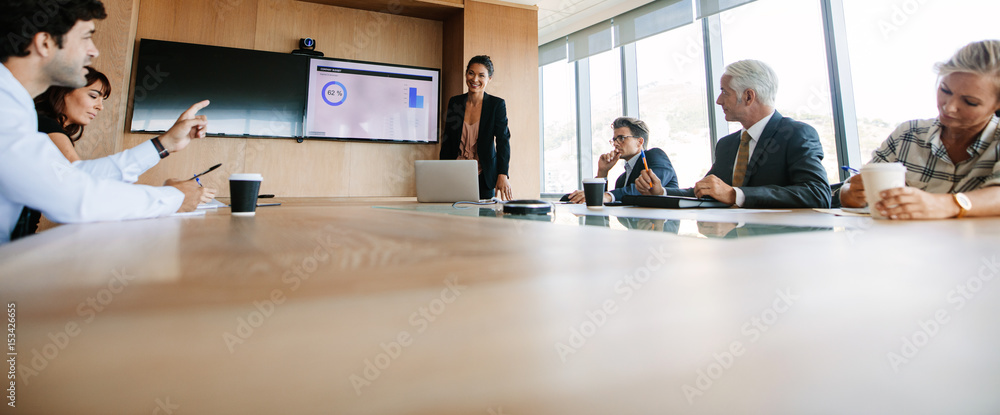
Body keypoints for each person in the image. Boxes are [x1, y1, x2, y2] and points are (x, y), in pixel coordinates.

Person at [1, 0, 213, 244]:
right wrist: (174, 197)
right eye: (85, 37)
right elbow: (73, 197)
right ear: (45, 43)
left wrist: (164, 144)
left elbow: (72, 175)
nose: (94, 51)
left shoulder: (16, 106)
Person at [10, 66, 217, 240]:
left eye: (102, 100)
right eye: (93, 96)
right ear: (62, 91)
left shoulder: (42, 126)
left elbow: (82, 184)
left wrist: (166, 144)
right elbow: (80, 183)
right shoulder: (43, 125)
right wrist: (172, 196)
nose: (99, 107)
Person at [636, 60, 831, 209]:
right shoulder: (727, 145)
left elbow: (818, 194)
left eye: (724, 92)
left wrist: (735, 195)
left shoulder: (796, 134)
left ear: (748, 96)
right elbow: (705, 190)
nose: (719, 101)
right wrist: (662, 192)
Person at [839, 40, 1000, 219]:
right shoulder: (908, 134)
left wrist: (946, 205)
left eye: (970, 102)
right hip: (910, 245)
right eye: (945, 91)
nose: (949, 107)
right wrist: (853, 195)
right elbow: (850, 191)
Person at [440, 55, 512, 200]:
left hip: (484, 175)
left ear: (489, 79)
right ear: (466, 74)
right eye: (471, 73)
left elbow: (503, 141)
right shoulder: (455, 103)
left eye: (481, 75)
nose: (475, 79)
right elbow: (447, 142)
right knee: (453, 219)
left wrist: (502, 174)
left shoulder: (496, 105)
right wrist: (442, 171)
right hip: (455, 173)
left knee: (484, 220)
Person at [567, 117, 678, 204]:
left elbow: (649, 186)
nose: (615, 144)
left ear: (639, 142)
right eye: (614, 139)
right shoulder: (621, 180)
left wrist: (609, 196)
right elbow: (601, 203)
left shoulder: (655, 155)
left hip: (661, 226)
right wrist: (602, 172)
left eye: (621, 138)